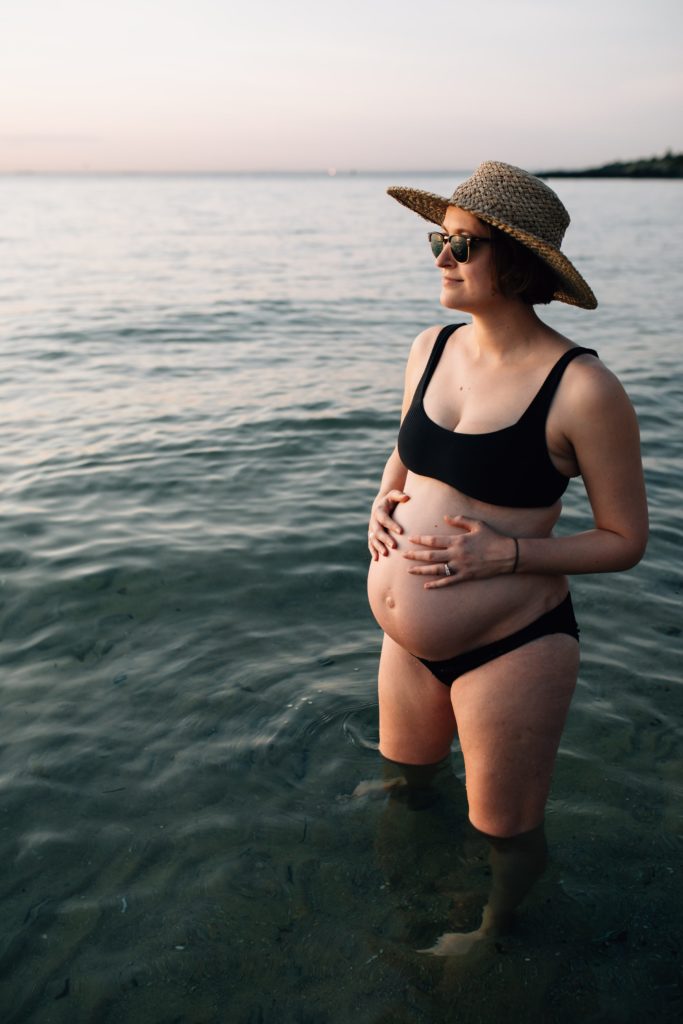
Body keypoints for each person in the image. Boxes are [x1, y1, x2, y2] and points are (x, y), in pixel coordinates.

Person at [365, 161, 648, 955]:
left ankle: (492, 934)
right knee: (405, 777)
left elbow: (626, 541)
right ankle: (409, 856)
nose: (440, 258)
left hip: (511, 647)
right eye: (437, 239)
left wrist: (508, 554)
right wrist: (379, 502)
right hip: (404, 641)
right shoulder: (430, 347)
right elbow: (407, 457)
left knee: (505, 829)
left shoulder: (583, 389)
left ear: (518, 266)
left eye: (463, 245)